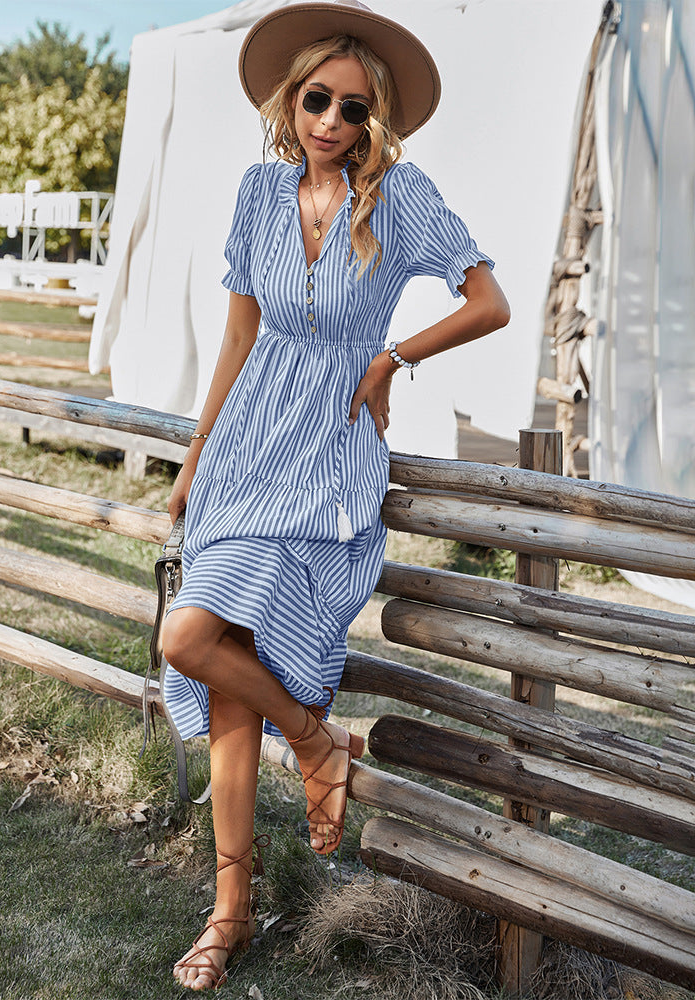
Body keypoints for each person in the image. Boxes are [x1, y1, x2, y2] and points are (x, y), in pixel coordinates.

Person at [162, 0, 510, 990]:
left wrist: (393, 356)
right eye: (316, 99)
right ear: (289, 100)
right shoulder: (256, 192)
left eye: (353, 109)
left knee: (202, 647)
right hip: (244, 449)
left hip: (326, 456)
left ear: (374, 120)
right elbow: (235, 338)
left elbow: (487, 300)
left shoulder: (399, 198)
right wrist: (193, 461)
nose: (330, 122)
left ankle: (300, 769)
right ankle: (242, 881)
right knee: (208, 655)